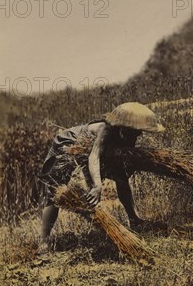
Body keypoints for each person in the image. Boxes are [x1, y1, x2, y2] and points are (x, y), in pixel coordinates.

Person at [39, 102, 165, 251]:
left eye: (139, 134)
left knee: (121, 176)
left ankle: (134, 219)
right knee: (55, 190)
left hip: (87, 150)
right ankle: (44, 240)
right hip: (67, 144)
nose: (136, 137)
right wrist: (98, 186)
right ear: (125, 128)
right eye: (134, 133)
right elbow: (94, 156)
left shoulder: (126, 137)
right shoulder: (105, 130)